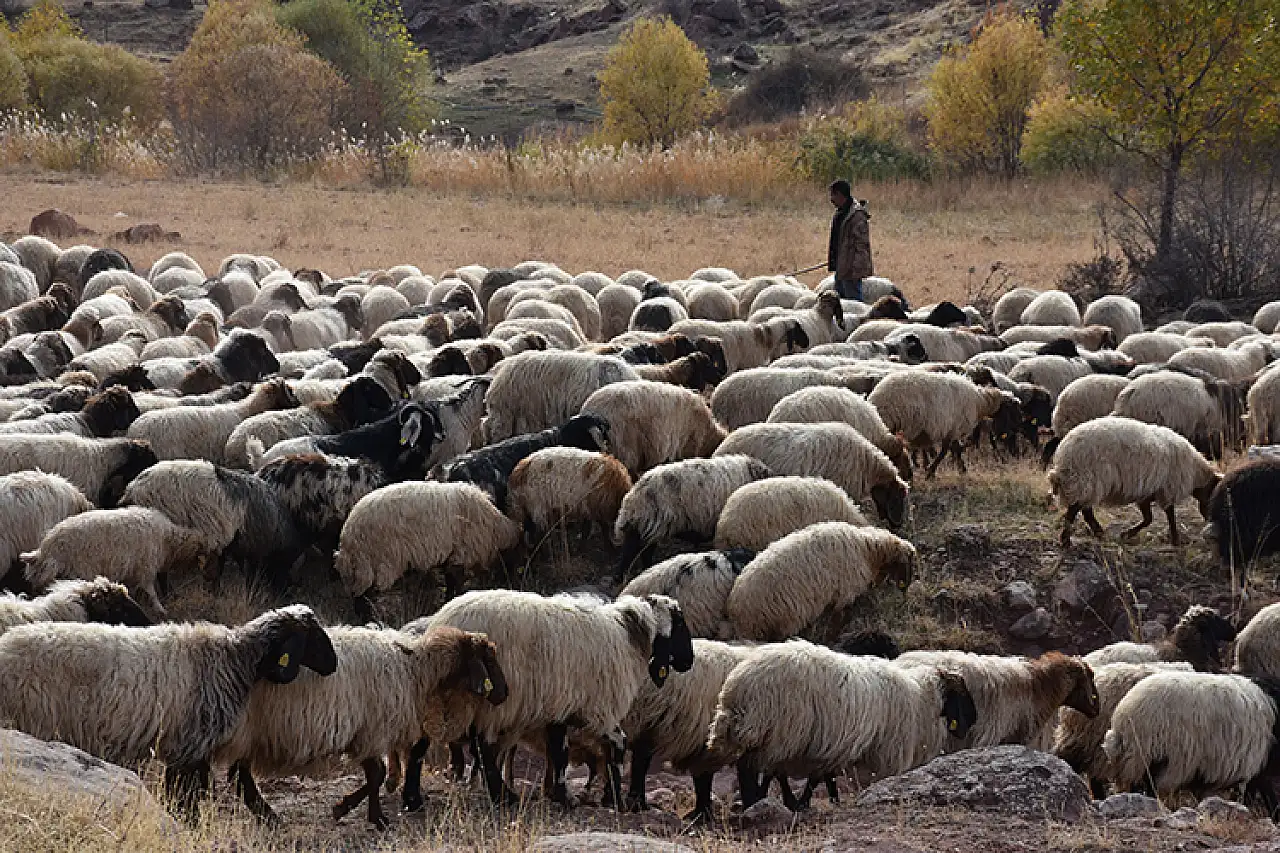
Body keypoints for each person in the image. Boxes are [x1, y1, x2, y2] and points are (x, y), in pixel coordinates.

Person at [827, 179, 873, 302]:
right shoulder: (841, 213)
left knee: (854, 304)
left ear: (841, 195)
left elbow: (862, 245)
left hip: (850, 270)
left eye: (833, 195)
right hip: (841, 267)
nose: (831, 199)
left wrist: (856, 270)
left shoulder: (856, 216)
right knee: (840, 303)